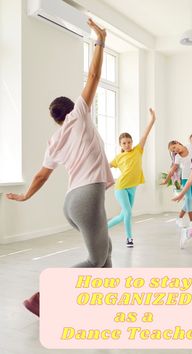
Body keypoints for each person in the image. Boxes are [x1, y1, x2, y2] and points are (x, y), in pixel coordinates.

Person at [6, 19, 114, 316]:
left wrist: (26, 196)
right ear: (72, 109)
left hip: (72, 203)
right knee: (95, 260)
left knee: (106, 254)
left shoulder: (54, 139)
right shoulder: (79, 115)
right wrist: (100, 40)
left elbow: (42, 174)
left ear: (55, 118)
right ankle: (43, 296)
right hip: (87, 197)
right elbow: (93, 75)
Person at [108, 109, 156, 247]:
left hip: (132, 188)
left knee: (123, 215)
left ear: (132, 142)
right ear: (120, 144)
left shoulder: (137, 150)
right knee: (129, 212)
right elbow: (106, 166)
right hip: (121, 187)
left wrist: (152, 120)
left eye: (129, 142)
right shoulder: (118, 157)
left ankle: (103, 229)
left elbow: (145, 136)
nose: (127, 144)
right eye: (124, 143)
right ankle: (129, 238)